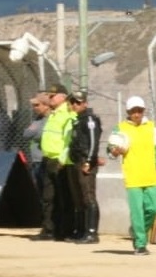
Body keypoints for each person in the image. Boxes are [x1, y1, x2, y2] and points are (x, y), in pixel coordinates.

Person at [108, 96, 156, 255]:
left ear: (143, 111)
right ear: (128, 112)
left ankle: (137, 231)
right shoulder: (120, 128)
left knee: (155, 207)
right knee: (137, 211)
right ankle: (140, 244)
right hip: (133, 176)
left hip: (151, 176)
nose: (137, 114)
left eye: (139, 111)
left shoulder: (152, 128)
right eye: (133, 111)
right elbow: (111, 148)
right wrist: (114, 152)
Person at [33, 83, 74, 241]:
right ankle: (49, 229)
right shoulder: (53, 114)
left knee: (62, 197)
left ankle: (64, 230)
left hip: (59, 160)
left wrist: (62, 159)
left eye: (53, 96)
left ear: (62, 97)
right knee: (47, 196)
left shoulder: (67, 113)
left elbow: (68, 140)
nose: (50, 98)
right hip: (48, 158)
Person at [66, 90, 102, 244]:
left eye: (78, 102)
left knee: (88, 196)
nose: (75, 105)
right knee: (78, 197)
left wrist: (89, 160)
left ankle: (92, 232)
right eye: (72, 102)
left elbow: (93, 142)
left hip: (85, 161)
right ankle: (80, 230)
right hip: (76, 160)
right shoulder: (77, 120)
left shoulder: (90, 120)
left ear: (85, 103)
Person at [22, 93, 50, 193]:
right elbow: (26, 134)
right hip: (36, 159)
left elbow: (41, 134)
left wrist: (34, 131)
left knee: (45, 189)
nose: (35, 108)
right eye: (34, 105)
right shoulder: (38, 119)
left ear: (46, 105)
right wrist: (34, 131)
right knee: (38, 188)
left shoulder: (50, 119)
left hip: (43, 159)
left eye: (37, 105)